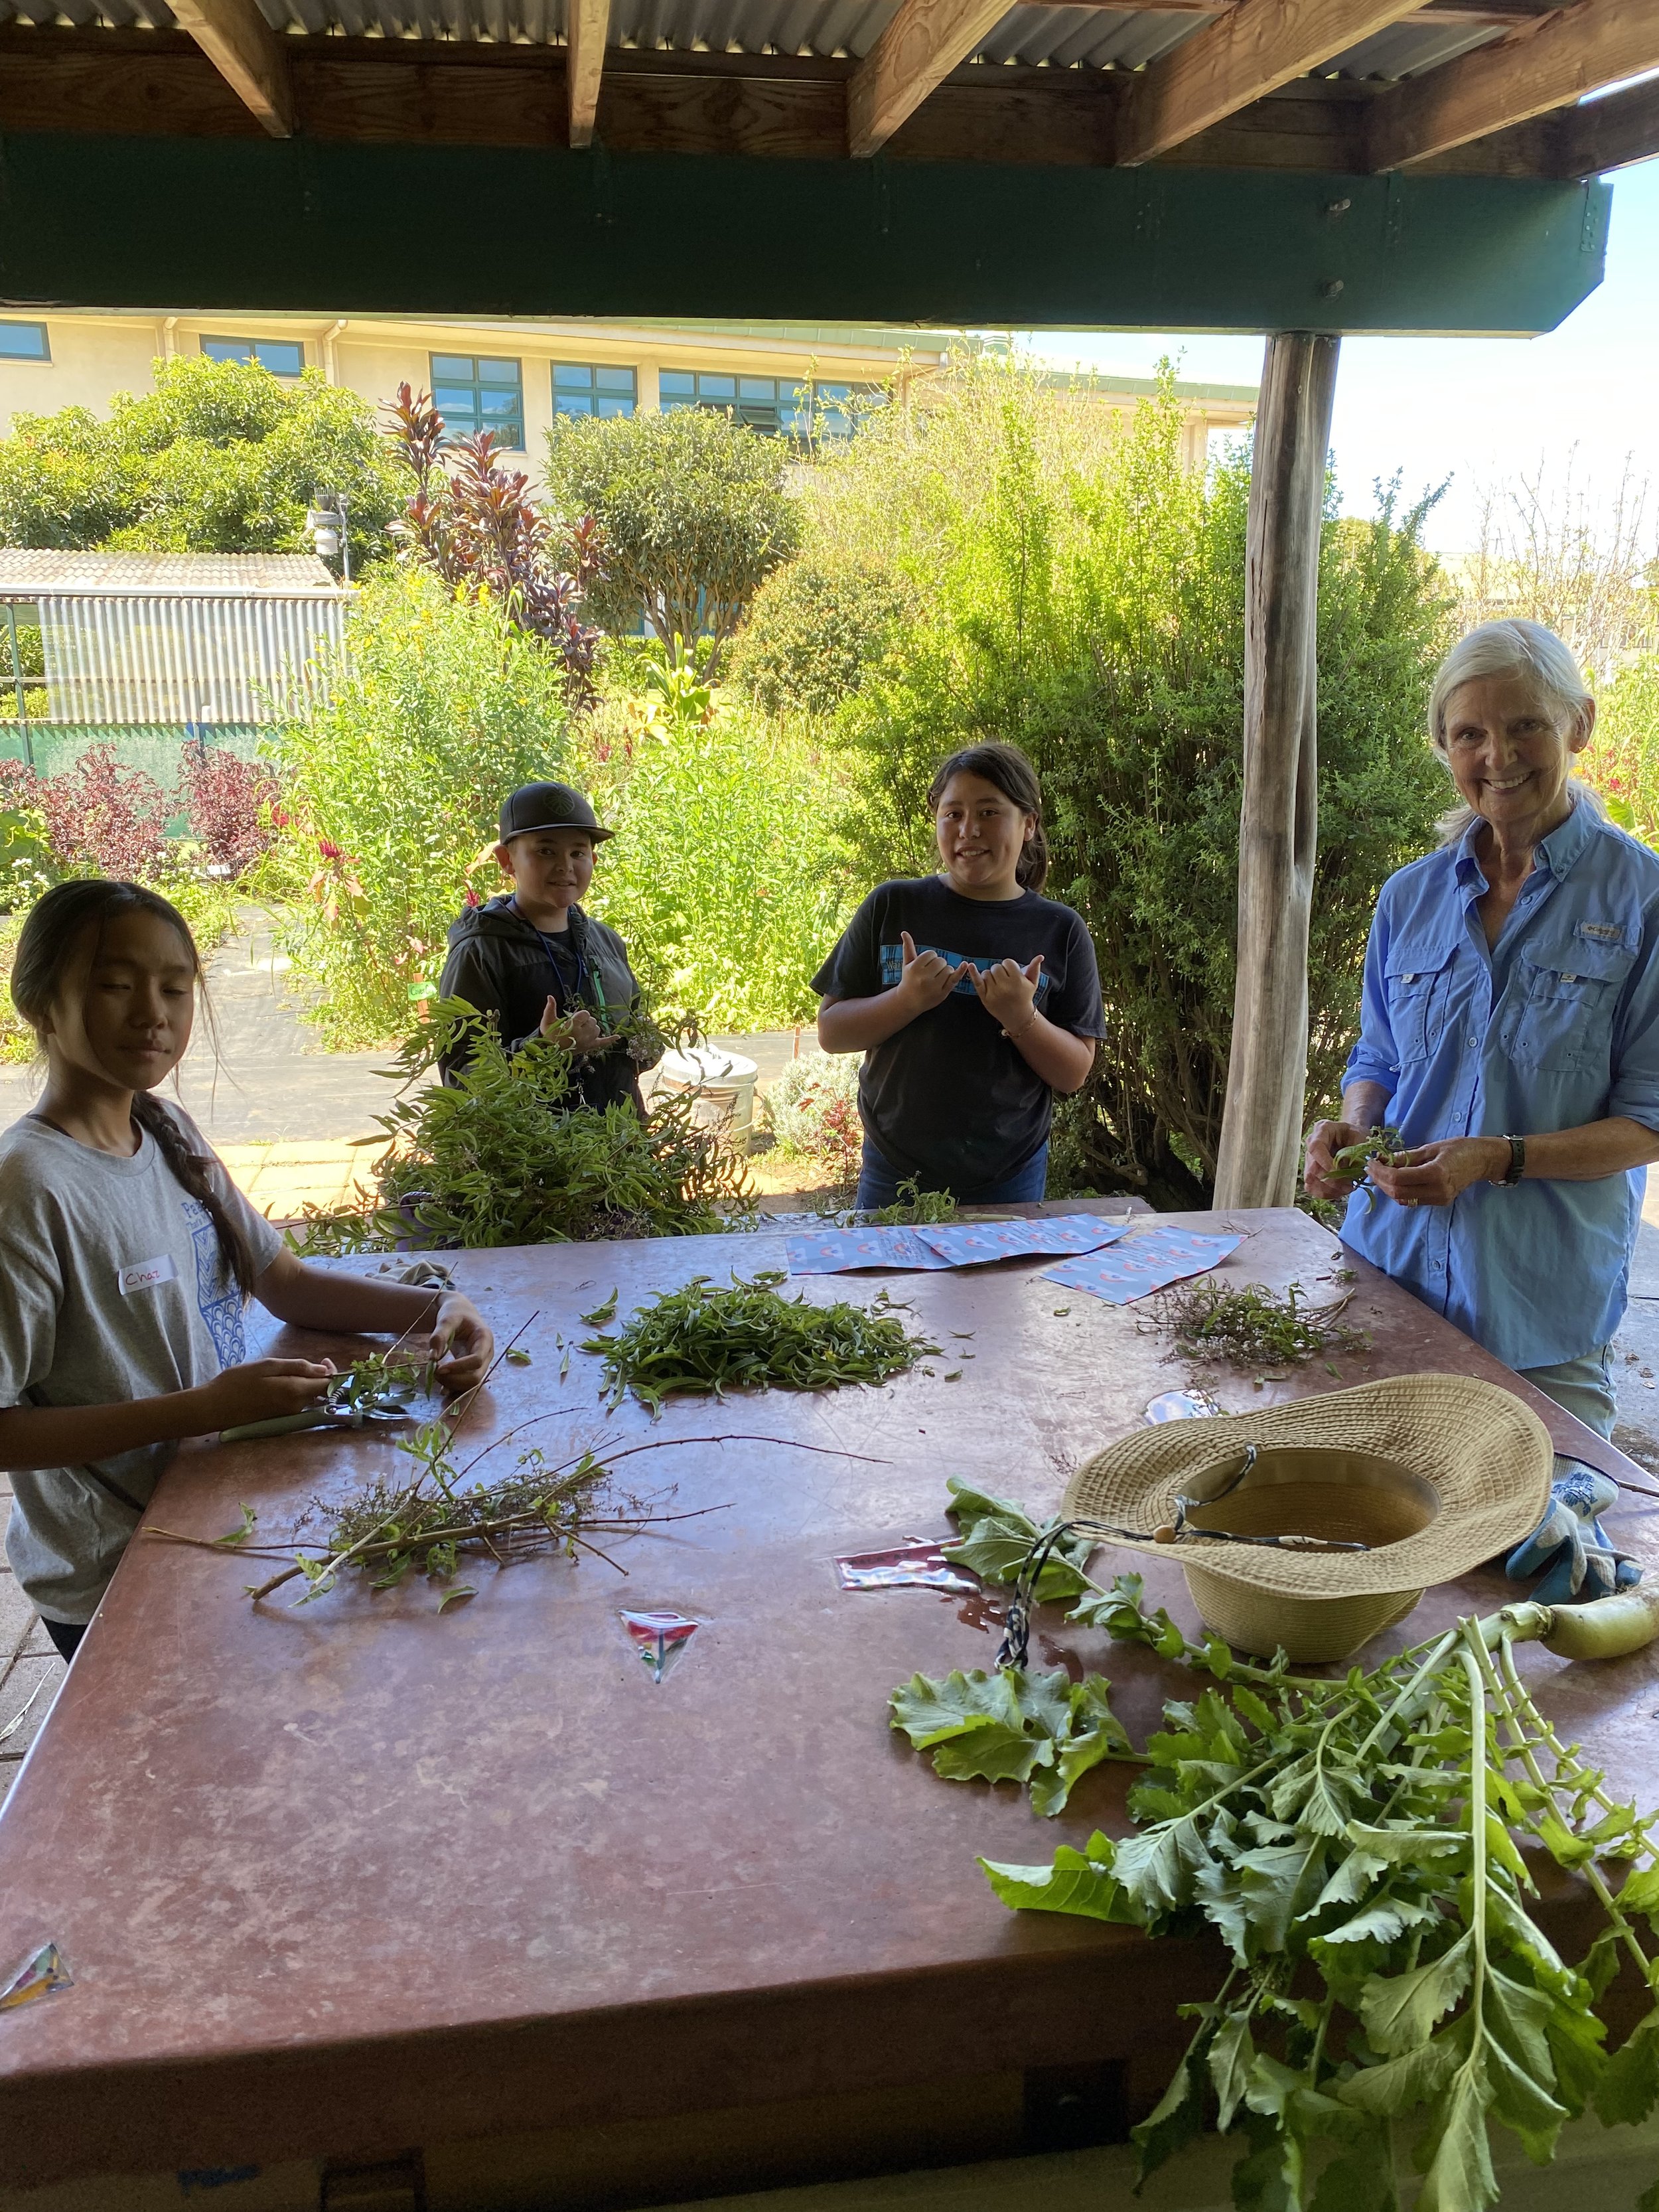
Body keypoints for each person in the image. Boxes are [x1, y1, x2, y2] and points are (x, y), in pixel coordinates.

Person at [0, 879, 494, 1664]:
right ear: (37, 1002)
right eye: (115, 985)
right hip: (113, 1567)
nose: (152, 1013)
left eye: (175, 988)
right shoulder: (28, 1187)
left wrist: (436, 1309)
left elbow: (284, 1282)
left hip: (203, 1514)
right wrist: (198, 1408)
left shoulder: (164, 1129)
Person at [1305, 618, 1659, 1439]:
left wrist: (1498, 1158)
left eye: (1526, 725)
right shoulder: (1408, 897)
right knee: (1365, 1536)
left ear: (1579, 724)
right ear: (1444, 747)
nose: (1498, 757)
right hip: (1385, 1284)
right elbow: (1381, 1054)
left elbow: (1648, 1124)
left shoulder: (1642, 902)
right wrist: (1352, 1127)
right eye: (1470, 734)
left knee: (1544, 1553)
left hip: (1541, 1319)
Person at [815, 741, 1104, 1209]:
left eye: (990, 811)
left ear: (1028, 823)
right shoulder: (893, 905)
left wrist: (1021, 1016)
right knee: (888, 1286)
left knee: (997, 1286)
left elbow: (1073, 1073)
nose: (969, 830)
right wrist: (906, 999)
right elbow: (831, 1031)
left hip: (1009, 1174)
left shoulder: (1061, 930)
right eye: (954, 813)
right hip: (894, 1170)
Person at [438, 780, 660, 1112]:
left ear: (593, 860)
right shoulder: (481, 952)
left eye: (578, 852)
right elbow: (462, 1079)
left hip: (617, 1147)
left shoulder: (606, 942)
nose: (565, 866)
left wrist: (646, 1043)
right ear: (506, 860)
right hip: (534, 1155)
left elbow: (638, 1039)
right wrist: (545, 1049)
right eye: (545, 851)